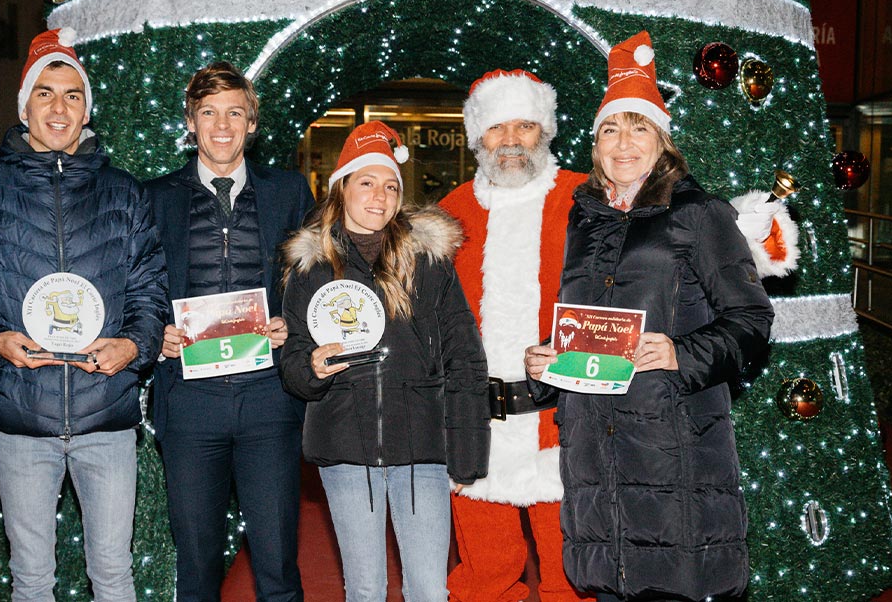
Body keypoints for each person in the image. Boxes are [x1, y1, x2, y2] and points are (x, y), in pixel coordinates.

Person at [524, 31, 775, 602]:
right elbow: (596, 321)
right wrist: (548, 358)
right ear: (595, 144)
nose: (623, 142)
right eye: (611, 129)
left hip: (672, 441)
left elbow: (751, 320)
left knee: (673, 584)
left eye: (639, 127)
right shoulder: (585, 219)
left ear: (663, 140)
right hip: (593, 442)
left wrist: (680, 353)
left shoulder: (700, 214)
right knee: (612, 585)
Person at [0, 27, 169, 601]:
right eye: (45, 93)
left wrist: (134, 345)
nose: (59, 108)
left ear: (87, 109)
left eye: (73, 95)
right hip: (21, 416)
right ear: (25, 104)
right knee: (31, 579)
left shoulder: (124, 193)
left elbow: (151, 291)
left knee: (113, 574)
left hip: (105, 411)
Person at [280, 121, 491, 602]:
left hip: (422, 448)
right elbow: (291, 357)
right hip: (346, 445)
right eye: (367, 183)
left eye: (391, 185)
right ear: (342, 189)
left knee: (428, 589)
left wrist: (467, 447)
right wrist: (310, 367)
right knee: (366, 588)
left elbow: (464, 354)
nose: (379, 197)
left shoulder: (428, 261)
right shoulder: (311, 267)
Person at [147, 61, 314, 602]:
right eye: (209, 113)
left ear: (253, 123)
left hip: (269, 400)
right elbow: (133, 285)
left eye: (235, 113)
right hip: (189, 402)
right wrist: (155, 333)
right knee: (196, 566)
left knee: (278, 565)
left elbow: (311, 278)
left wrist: (293, 320)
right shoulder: (153, 198)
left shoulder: (289, 191)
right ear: (190, 122)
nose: (222, 126)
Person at [439, 68, 590, 602]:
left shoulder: (586, 201)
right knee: (483, 574)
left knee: (573, 573)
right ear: (478, 136)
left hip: (562, 420)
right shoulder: (449, 214)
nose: (510, 142)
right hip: (475, 423)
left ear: (545, 132)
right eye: (497, 128)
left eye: (524, 127)